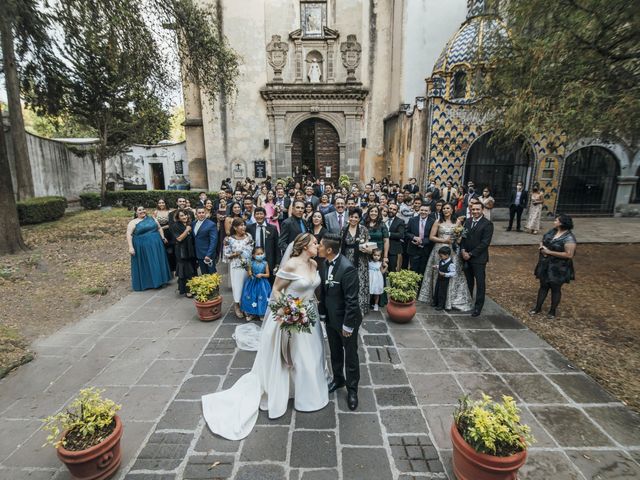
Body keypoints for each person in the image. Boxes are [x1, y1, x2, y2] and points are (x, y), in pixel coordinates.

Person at [203, 233, 329, 440]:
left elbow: (312, 289)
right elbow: (277, 290)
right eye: (315, 243)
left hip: (310, 316)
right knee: (293, 357)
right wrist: (288, 311)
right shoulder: (290, 265)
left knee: (312, 355)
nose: (318, 245)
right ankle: (286, 390)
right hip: (290, 315)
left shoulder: (314, 264)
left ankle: (307, 392)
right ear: (304, 246)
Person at [318, 233, 362, 411]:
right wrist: (323, 315)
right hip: (330, 317)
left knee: (350, 356)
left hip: (346, 320)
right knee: (335, 352)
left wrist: (348, 325)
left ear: (329, 250)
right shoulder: (323, 263)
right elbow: (324, 292)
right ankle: (338, 379)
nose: (318, 247)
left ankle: (352, 390)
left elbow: (352, 301)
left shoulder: (347, 268)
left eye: (320, 245)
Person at [417, 203, 473, 310]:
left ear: (452, 210)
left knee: (451, 273)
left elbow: (459, 238)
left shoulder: (457, 222)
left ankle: (450, 299)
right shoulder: (438, 221)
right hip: (439, 250)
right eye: (444, 208)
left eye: (448, 208)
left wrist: (458, 237)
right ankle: (436, 298)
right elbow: (432, 237)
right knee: (438, 274)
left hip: (452, 251)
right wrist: (444, 240)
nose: (445, 210)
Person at [529, 214, 576, 319]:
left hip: (558, 268)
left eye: (556, 220)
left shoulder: (569, 238)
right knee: (543, 286)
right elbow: (543, 239)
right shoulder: (553, 231)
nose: (554, 222)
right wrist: (541, 247)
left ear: (561, 223)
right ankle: (537, 308)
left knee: (555, 288)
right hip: (546, 264)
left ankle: (552, 311)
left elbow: (569, 254)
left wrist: (549, 252)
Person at [127, 206, 172, 291]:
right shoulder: (133, 222)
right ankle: (149, 283)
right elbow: (129, 234)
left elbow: (159, 228)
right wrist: (130, 247)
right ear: (136, 212)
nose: (142, 211)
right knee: (147, 262)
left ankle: (161, 280)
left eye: (143, 209)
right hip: (142, 246)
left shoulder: (152, 218)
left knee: (157, 261)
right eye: (139, 210)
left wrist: (162, 237)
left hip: (156, 244)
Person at [461, 202, 494, 316]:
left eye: (477, 209)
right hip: (466, 257)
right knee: (468, 281)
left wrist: (471, 254)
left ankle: (478, 307)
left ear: (482, 210)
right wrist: (463, 250)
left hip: (479, 259)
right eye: (473, 209)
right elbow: (464, 237)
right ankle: (469, 302)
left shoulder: (488, 224)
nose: (475, 211)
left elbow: (485, 243)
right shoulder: (468, 221)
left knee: (480, 283)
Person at [340, 208, 372, 316]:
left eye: (356, 217)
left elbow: (369, 246)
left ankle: (361, 309)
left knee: (361, 283)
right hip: (346, 260)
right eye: (351, 216)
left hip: (361, 260)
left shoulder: (364, 230)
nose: (353, 219)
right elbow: (340, 246)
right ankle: (347, 308)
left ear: (359, 219)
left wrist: (367, 250)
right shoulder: (344, 229)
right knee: (348, 284)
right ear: (348, 217)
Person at [223, 218, 254, 318]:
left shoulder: (249, 236)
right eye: (240, 225)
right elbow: (226, 254)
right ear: (235, 227)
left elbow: (251, 249)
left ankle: (245, 306)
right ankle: (237, 305)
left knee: (247, 286)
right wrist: (236, 253)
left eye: (244, 224)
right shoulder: (229, 239)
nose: (243, 227)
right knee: (237, 286)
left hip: (247, 265)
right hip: (236, 266)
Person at [246, 207, 280, 280]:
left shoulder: (272, 228)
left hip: (269, 260)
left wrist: (277, 263)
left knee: (270, 283)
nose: (259, 216)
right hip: (255, 261)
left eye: (261, 214)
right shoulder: (249, 228)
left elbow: (277, 246)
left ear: (265, 215)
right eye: (257, 214)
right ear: (254, 216)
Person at [171, 209, 197, 297]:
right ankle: (187, 290)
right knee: (185, 271)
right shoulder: (175, 225)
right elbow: (179, 239)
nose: (184, 217)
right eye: (182, 215)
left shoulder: (189, 224)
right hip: (181, 252)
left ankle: (191, 288)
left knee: (192, 270)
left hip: (190, 251)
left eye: (185, 215)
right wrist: (187, 230)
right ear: (178, 217)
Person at [240, 247, 272, 320]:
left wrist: (262, 275)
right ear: (254, 255)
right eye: (258, 254)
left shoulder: (265, 263)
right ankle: (252, 313)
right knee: (252, 297)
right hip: (252, 282)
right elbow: (249, 273)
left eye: (261, 253)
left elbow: (268, 274)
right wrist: (248, 270)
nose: (260, 255)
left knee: (262, 297)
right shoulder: (251, 263)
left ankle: (261, 313)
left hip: (262, 283)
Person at [405, 205, 435, 279]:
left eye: (426, 210)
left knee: (423, 271)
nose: (423, 212)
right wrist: (414, 237)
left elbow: (433, 235)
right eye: (422, 210)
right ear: (419, 210)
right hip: (413, 249)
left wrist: (422, 241)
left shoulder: (433, 221)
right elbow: (406, 232)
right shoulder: (412, 220)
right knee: (413, 271)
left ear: (429, 212)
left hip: (426, 250)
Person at [193, 207, 218, 275]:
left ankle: (215, 286)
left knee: (212, 274)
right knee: (204, 274)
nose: (201, 214)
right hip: (199, 254)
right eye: (199, 213)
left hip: (208, 254)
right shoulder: (193, 223)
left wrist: (208, 254)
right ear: (196, 214)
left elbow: (214, 241)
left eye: (203, 212)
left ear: (205, 213)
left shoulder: (211, 224)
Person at [153, 199, 176, 273]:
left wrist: (161, 228)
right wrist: (158, 229)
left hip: (168, 233)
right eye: (159, 203)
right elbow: (153, 223)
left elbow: (171, 224)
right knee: (161, 251)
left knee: (170, 251)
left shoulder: (169, 212)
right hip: (158, 234)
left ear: (165, 203)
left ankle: (172, 269)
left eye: (163, 202)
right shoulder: (155, 212)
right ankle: (163, 270)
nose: (161, 204)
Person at [433, 246, 456, 311]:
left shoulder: (451, 264)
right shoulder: (442, 260)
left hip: (445, 280)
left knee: (442, 293)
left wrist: (445, 274)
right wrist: (437, 266)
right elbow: (441, 266)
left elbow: (453, 273)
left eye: (441, 256)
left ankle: (441, 305)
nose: (440, 257)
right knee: (437, 290)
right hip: (439, 278)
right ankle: (435, 302)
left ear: (447, 255)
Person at [385, 203, 405, 272]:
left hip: (393, 249)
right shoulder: (382, 219)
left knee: (392, 269)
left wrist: (388, 234)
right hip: (380, 248)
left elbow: (400, 234)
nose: (391, 210)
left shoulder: (400, 221)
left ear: (397, 211)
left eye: (394, 209)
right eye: (390, 208)